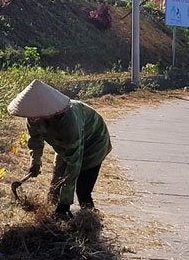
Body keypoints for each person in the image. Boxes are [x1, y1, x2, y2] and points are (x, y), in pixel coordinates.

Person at [8, 80, 112, 218]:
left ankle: (89, 220)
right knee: (55, 184)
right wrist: (35, 163)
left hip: (93, 143)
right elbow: (35, 141)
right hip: (65, 145)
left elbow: (74, 163)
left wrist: (65, 203)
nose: (33, 120)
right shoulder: (33, 118)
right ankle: (52, 217)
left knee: (83, 189)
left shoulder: (68, 122)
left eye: (36, 117)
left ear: (47, 113)